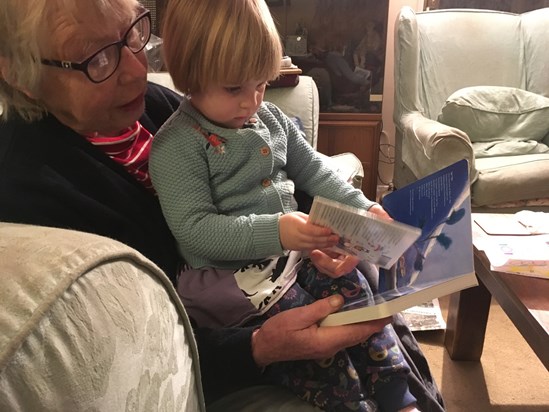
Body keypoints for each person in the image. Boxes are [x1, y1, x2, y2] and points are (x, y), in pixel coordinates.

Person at [0, 0, 444, 411]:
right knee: (337, 353)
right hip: (225, 338)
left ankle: (404, 393)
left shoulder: (154, 106)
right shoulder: (29, 190)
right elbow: (123, 351)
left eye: (134, 33)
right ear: (19, 73)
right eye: (98, 58)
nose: (137, 69)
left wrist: (351, 220)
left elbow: (292, 172)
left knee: (371, 286)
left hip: (287, 266)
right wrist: (257, 346)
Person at [150, 1, 417, 411]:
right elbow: (195, 230)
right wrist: (278, 229)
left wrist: (364, 208)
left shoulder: (270, 119)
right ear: (191, 76)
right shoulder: (176, 146)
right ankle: (352, 401)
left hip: (295, 254)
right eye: (235, 88)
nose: (252, 102)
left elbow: (317, 172)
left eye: (261, 84)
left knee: (359, 294)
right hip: (238, 282)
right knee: (315, 346)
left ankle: (397, 393)